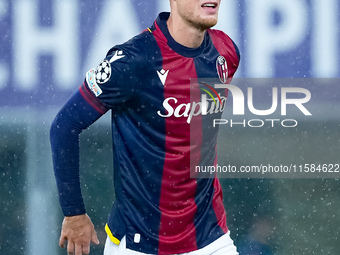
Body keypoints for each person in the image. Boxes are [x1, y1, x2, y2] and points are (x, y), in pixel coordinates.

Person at [50, 0, 240, 254]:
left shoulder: (225, 52)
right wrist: (74, 214)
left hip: (211, 239)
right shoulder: (133, 59)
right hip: (140, 244)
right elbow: (65, 126)